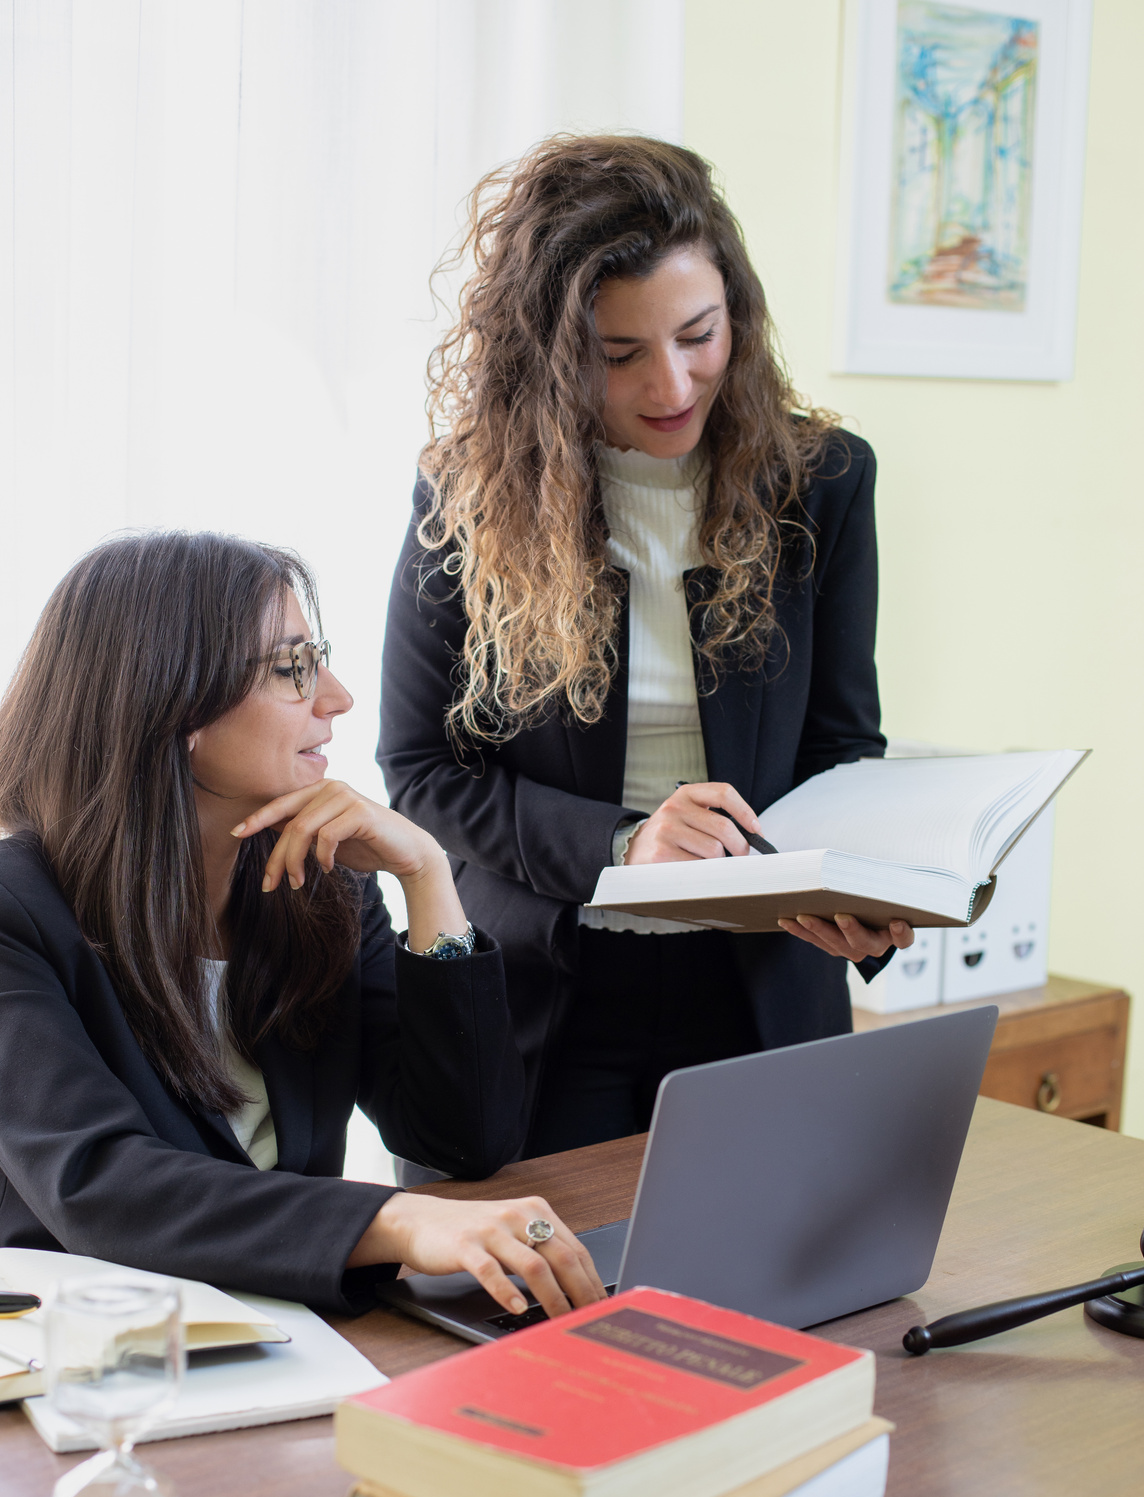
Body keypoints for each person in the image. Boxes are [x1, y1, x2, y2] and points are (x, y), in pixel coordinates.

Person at [379, 135, 914, 1157]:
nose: (671, 384)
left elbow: (842, 748)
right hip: (549, 995)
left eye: (698, 336)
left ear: (737, 319)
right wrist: (626, 846)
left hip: (757, 994)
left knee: (766, 1296)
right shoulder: (469, 495)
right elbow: (419, 768)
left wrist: (855, 888)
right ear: (547, 356)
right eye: (618, 355)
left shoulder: (826, 481)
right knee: (539, 1305)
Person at [0, 532, 604, 1317]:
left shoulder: (324, 893)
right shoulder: (16, 912)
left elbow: (466, 1141)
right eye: (292, 669)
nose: (337, 697)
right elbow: (100, 1184)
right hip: (88, 1360)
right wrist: (395, 1218)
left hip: (294, 1333)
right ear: (177, 704)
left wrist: (425, 876)